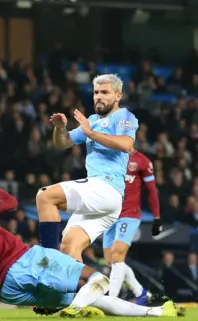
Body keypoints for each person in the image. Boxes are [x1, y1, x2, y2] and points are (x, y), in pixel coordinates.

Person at [0, 172, 183, 319]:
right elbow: (10, 202)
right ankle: (75, 310)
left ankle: (157, 312)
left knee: (93, 298)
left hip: (5, 291)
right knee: (98, 278)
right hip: (24, 261)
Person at [37, 74, 138, 261]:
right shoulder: (92, 120)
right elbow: (63, 143)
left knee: (45, 195)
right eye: (96, 92)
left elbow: (125, 144)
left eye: (105, 92)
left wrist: (91, 132)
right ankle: (94, 287)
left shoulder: (124, 116)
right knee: (69, 247)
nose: (98, 96)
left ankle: (47, 261)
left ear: (118, 96)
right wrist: (60, 128)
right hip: (102, 200)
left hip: (106, 188)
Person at [103, 148, 161, 304]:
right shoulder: (109, 157)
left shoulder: (142, 161)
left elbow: (151, 190)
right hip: (109, 215)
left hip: (129, 216)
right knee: (112, 261)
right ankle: (141, 293)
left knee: (116, 255)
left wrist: (157, 217)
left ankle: (111, 300)